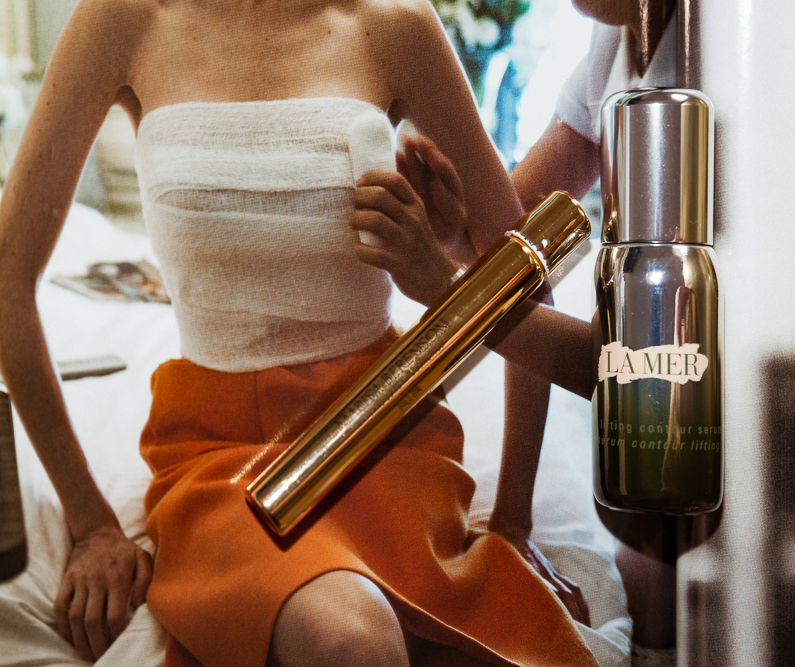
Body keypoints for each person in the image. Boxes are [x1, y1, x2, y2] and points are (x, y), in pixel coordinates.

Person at [0, 1, 596, 665]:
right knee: (350, 640)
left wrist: (513, 516)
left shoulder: (396, 25)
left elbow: (521, 271)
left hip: (383, 432)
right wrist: (91, 525)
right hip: (217, 453)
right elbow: (7, 279)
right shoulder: (121, 18)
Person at [368, 0, 683, 659]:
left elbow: (645, 368)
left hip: (718, 436)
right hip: (657, 448)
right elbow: (514, 244)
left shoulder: (710, 72)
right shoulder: (617, 40)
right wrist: (454, 236)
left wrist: (446, 286)